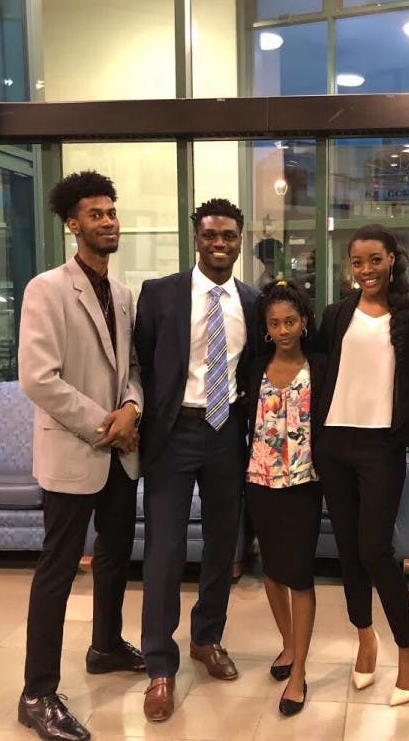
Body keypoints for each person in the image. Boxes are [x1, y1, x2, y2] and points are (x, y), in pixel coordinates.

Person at [17, 170, 145, 741]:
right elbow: (38, 379)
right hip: (77, 451)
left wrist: (133, 411)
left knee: (117, 557)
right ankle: (37, 691)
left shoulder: (122, 294)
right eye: (96, 214)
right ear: (73, 225)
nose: (108, 222)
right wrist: (106, 423)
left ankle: (106, 645)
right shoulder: (46, 289)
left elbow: (133, 370)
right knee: (58, 572)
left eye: (112, 212)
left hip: (120, 454)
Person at [134, 198, 260, 722]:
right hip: (174, 432)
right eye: (210, 235)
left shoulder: (252, 301)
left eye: (228, 236)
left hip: (227, 431)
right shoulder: (160, 294)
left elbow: (253, 368)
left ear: (240, 239)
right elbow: (142, 359)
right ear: (196, 237)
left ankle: (207, 638)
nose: (219, 244)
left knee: (221, 544)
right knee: (163, 549)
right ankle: (160, 664)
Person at [312, 224, 409, 707]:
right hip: (334, 443)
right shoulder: (336, 313)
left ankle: (408, 646)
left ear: (393, 259)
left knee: (375, 550)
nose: (366, 270)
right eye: (357, 262)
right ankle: (364, 638)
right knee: (347, 549)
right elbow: (320, 374)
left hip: (382, 446)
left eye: (375, 260)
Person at [243, 280, 326, 717]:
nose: (283, 329)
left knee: (299, 575)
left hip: (304, 484)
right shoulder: (254, 367)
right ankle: (288, 645)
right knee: (272, 572)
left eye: (290, 321)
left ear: (304, 321)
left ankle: (299, 673)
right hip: (259, 480)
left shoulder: (322, 366)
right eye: (274, 323)